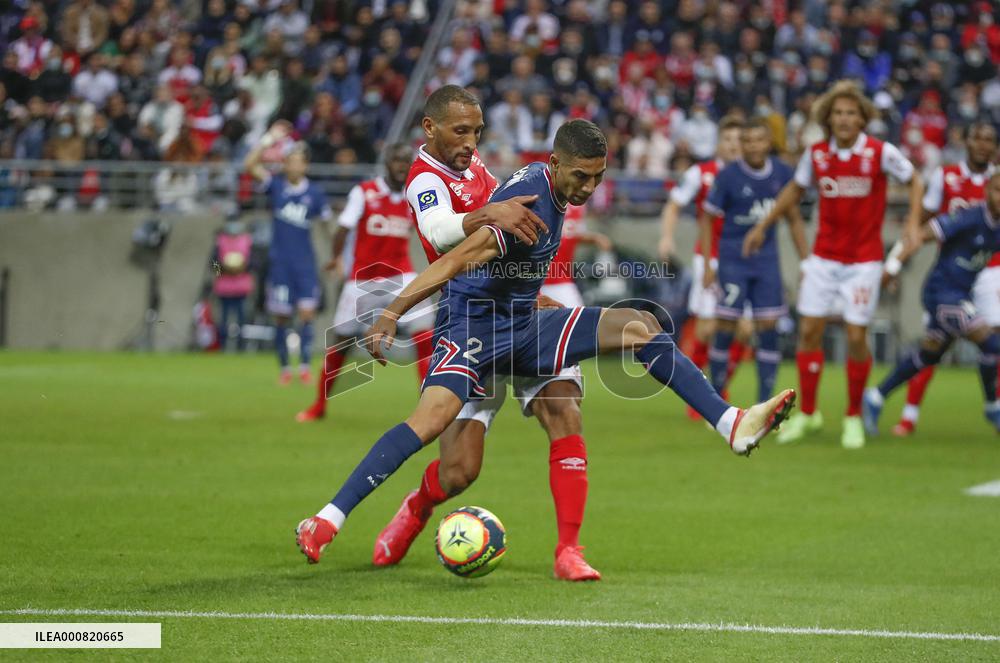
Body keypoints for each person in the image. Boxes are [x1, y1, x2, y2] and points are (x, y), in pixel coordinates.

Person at [294, 119, 797, 570]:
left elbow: (513, 273)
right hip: (475, 330)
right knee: (451, 459)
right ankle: (338, 518)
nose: (590, 186)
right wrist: (391, 311)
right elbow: (456, 260)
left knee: (634, 333)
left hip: (526, 322)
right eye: (581, 176)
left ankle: (724, 427)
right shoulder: (527, 207)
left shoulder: (558, 192)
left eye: (598, 176)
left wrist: (532, 299)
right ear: (555, 163)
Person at [372, 86, 604, 581]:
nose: (473, 141)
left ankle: (569, 550)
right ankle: (417, 506)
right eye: (463, 131)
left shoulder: (488, 173)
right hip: (474, 321)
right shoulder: (426, 181)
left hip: (528, 314)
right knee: (460, 472)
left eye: (478, 131)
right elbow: (442, 237)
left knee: (563, 409)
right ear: (431, 129)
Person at [759, 80, 923, 449]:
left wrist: (913, 223)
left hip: (863, 262)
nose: (845, 118)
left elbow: (914, 180)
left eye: (851, 112)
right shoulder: (816, 154)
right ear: (828, 118)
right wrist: (764, 224)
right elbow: (794, 190)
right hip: (823, 258)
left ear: (862, 118)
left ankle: (852, 416)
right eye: (838, 113)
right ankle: (810, 414)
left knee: (854, 336)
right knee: (809, 332)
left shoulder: (879, 152)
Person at [296, 144, 435, 422]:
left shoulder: (414, 196)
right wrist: (336, 258)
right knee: (341, 343)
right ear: (386, 162)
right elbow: (344, 228)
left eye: (405, 161)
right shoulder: (364, 192)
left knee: (426, 335)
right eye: (396, 160)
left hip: (401, 277)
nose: (400, 165)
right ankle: (319, 406)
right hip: (363, 280)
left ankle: (429, 406)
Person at [863, 172, 1000, 435]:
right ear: (986, 192)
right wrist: (892, 266)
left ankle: (876, 396)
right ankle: (993, 407)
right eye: (997, 190)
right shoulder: (969, 217)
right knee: (991, 342)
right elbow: (924, 234)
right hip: (942, 295)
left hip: (962, 294)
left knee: (929, 353)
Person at [891, 122, 999, 436]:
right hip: (952, 274)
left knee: (993, 344)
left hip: (991, 271)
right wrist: (897, 259)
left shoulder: (997, 180)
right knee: (935, 343)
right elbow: (920, 221)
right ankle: (909, 414)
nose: (982, 144)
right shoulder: (946, 176)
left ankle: (995, 409)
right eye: (976, 136)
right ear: (966, 140)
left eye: (989, 140)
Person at [700, 118, 809, 402]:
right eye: (747, 141)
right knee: (725, 326)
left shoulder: (783, 173)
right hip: (733, 259)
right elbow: (707, 218)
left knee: (769, 327)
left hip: (767, 261)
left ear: (769, 142)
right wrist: (710, 263)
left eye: (758, 140)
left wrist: (806, 262)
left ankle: (765, 403)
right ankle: (717, 400)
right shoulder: (728, 176)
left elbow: (794, 218)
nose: (753, 146)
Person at [658, 115, 750, 417]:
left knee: (744, 331)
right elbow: (674, 203)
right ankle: (701, 398)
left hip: (744, 260)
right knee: (708, 328)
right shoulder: (702, 172)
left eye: (739, 141)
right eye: (728, 140)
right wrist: (667, 237)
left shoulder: (751, 175)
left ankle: (719, 392)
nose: (734, 146)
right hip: (709, 258)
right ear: (718, 143)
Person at [244, 121, 330, 384]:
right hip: (280, 263)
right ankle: (284, 368)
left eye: (297, 161)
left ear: (304, 165)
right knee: (281, 317)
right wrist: (268, 139)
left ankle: (304, 365)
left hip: (304, 263)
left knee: (306, 315)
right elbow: (249, 166)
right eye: (288, 161)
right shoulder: (276, 186)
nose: (292, 165)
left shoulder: (315, 194)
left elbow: (326, 226)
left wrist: (334, 256)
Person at [540, 204, 612, 308]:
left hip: (561, 279)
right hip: (533, 281)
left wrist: (595, 238)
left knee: (578, 318)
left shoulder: (578, 206)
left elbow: (572, 234)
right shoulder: (543, 197)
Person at [213, 219, 254, 352]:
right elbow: (214, 265)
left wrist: (242, 268)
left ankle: (241, 347)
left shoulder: (247, 241)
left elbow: (254, 263)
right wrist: (223, 271)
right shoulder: (220, 242)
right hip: (224, 287)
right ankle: (223, 346)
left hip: (241, 287)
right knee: (223, 319)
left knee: (242, 319)